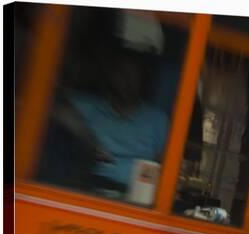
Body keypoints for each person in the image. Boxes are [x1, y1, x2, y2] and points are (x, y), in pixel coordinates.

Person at [37, 10, 169, 199]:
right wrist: (85, 139)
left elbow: (166, 170)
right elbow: (48, 104)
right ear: (110, 75)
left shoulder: (157, 120)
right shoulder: (85, 106)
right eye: (121, 73)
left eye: (133, 74)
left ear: (143, 79)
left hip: (136, 201)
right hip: (84, 191)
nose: (126, 80)